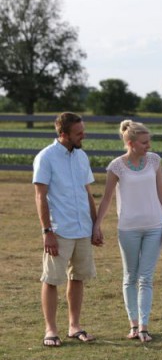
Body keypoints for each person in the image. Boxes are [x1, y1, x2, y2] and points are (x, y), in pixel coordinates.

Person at [93, 120, 162, 343]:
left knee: (146, 278)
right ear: (131, 143)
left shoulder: (154, 161)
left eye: (149, 142)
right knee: (130, 276)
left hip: (154, 227)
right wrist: (97, 224)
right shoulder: (116, 166)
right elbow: (107, 198)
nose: (148, 146)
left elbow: (161, 193)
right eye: (144, 142)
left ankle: (145, 327)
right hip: (128, 229)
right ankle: (133, 325)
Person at [33, 112, 99, 347]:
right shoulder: (46, 158)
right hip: (59, 230)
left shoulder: (81, 156)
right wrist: (47, 231)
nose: (84, 136)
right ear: (63, 134)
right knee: (51, 280)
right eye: (79, 133)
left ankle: (75, 326)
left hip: (83, 228)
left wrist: (96, 224)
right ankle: (50, 330)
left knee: (78, 277)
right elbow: (40, 196)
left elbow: (87, 193)